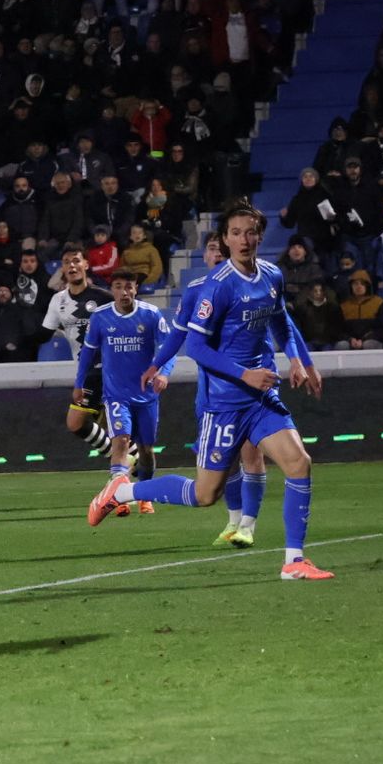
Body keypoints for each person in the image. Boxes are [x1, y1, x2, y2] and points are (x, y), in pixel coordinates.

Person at [92, 202, 331, 581]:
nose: (244, 240)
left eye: (251, 232)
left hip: (260, 400)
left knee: (299, 463)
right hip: (223, 403)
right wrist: (241, 374)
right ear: (224, 239)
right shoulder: (214, 288)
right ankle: (122, 491)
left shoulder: (272, 275)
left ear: (260, 234)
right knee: (205, 495)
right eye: (235, 233)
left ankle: (293, 560)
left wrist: (301, 359)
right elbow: (196, 347)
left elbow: (281, 320)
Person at [142, 230, 293, 548]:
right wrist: (156, 364)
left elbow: (277, 322)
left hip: (250, 385)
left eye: (221, 249)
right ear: (206, 256)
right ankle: (234, 520)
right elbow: (179, 335)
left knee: (252, 454)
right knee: (224, 462)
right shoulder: (196, 290)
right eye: (211, 249)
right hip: (212, 391)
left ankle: (248, 526)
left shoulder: (251, 284)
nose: (217, 254)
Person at [77, 270, 173, 517]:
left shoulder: (151, 315)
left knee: (146, 450)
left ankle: (145, 495)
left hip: (146, 395)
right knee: (120, 442)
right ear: (113, 290)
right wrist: (79, 383)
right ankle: (118, 498)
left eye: (128, 287)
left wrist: (163, 373)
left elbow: (168, 348)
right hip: (116, 395)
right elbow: (87, 352)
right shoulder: (100, 317)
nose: (124, 292)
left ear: (136, 289)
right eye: (118, 287)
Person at [35, 247, 115, 459]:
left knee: (79, 422)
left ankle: (125, 463)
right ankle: (128, 462)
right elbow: (44, 334)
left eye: (76, 261)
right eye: (67, 262)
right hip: (85, 371)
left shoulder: (104, 298)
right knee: (84, 424)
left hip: (108, 368)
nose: (72, 265)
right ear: (62, 269)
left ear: (86, 265)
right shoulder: (58, 300)